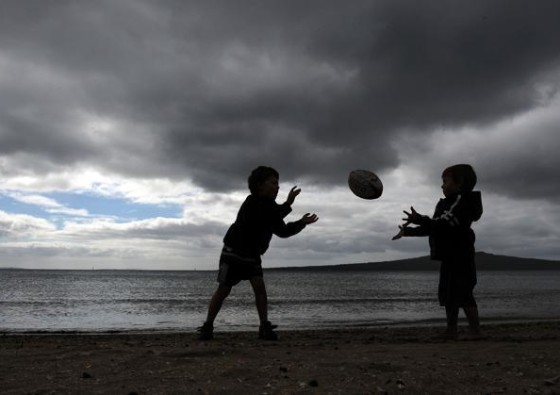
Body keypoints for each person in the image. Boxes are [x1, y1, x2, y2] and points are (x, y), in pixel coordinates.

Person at [198, 166, 319, 340]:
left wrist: (297, 216)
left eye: (278, 183)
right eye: (273, 183)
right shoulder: (252, 202)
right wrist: (294, 211)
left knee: (259, 289)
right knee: (223, 290)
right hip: (233, 253)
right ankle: (207, 326)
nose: (277, 187)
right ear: (259, 185)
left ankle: (264, 326)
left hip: (252, 255)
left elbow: (278, 224)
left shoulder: (268, 206)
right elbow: (275, 222)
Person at [392, 164, 483, 339]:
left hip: (461, 255)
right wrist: (408, 231)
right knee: (449, 293)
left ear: (460, 183)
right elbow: (434, 227)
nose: (442, 185)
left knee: (464, 293)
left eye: (445, 181)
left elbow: (443, 223)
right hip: (448, 256)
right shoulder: (445, 204)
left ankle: (476, 331)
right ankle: (451, 330)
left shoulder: (463, 202)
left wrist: (419, 219)